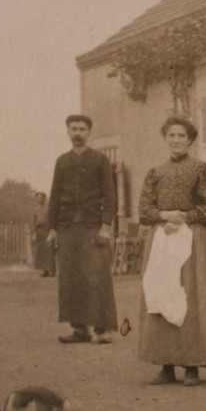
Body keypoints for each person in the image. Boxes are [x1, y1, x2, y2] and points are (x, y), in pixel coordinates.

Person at [138, 113, 206, 385]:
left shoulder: (201, 169)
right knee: (161, 293)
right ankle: (166, 365)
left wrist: (184, 217)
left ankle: (192, 366)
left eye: (181, 136)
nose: (176, 140)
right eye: (172, 135)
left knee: (191, 297)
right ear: (166, 139)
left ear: (190, 141)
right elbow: (144, 210)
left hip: (193, 239)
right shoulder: (156, 172)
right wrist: (165, 216)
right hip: (163, 239)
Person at [46, 115, 118, 345]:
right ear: (68, 132)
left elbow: (110, 195)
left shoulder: (100, 160)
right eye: (73, 129)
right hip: (67, 228)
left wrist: (106, 225)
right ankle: (79, 329)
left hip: (93, 227)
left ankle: (102, 329)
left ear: (89, 133)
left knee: (97, 276)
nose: (77, 133)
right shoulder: (62, 162)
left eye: (82, 129)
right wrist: (52, 228)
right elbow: (55, 196)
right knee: (70, 278)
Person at [32, 192, 56, 277]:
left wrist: (51, 231)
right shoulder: (36, 209)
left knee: (49, 251)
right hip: (39, 231)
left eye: (40, 198)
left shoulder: (48, 208)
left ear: (44, 198)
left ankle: (52, 271)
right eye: (37, 198)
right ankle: (45, 271)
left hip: (47, 230)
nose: (39, 199)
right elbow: (34, 221)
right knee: (41, 252)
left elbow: (52, 219)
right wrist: (34, 232)